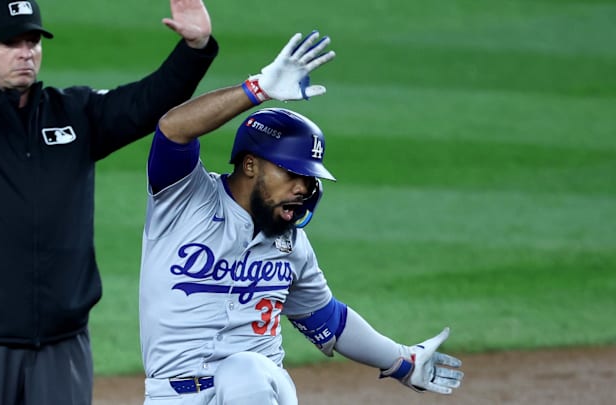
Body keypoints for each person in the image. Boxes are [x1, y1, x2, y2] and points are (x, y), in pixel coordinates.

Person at [0, 0, 217, 403]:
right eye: (10, 42)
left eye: (33, 40)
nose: (25, 52)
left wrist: (194, 50)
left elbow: (147, 103)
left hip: (62, 341)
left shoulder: (75, 113)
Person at [139, 31, 464, 404]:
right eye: (291, 174)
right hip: (170, 396)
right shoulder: (184, 199)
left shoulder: (292, 245)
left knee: (245, 369)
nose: (302, 188)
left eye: (308, 178)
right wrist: (257, 88)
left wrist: (403, 362)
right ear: (249, 165)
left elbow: (328, 319)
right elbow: (173, 131)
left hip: (259, 388)